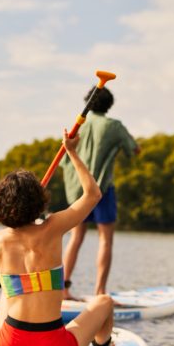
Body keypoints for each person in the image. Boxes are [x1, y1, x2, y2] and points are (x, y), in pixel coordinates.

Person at [0, 130, 115, 346]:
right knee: (105, 301)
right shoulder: (54, 228)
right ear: (38, 202)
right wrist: (72, 152)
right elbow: (93, 194)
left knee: (6, 294)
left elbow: (18, 228)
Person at [62, 86, 139, 300]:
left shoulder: (78, 126)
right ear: (109, 105)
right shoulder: (114, 126)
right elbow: (133, 150)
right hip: (101, 189)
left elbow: (63, 161)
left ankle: (63, 289)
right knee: (105, 239)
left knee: (75, 237)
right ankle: (100, 292)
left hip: (76, 189)